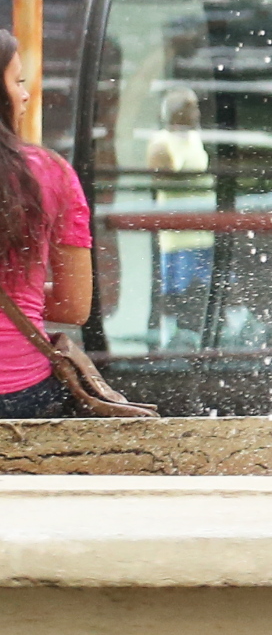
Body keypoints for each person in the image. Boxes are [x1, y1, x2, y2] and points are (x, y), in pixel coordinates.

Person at [0, 43, 144, 420]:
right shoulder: (49, 173)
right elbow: (75, 305)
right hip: (20, 391)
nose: (26, 93)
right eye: (16, 81)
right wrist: (25, 287)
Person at [141, 88, 214, 333]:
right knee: (174, 288)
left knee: (213, 281)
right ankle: (169, 334)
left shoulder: (194, 137)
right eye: (191, 107)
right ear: (177, 112)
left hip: (203, 227)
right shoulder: (162, 142)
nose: (197, 112)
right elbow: (161, 177)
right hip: (178, 230)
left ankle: (228, 325)